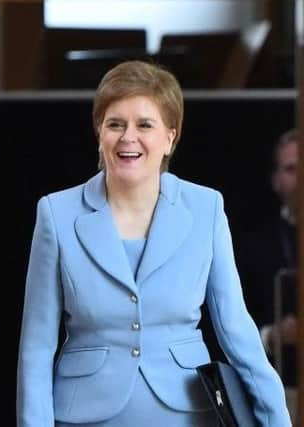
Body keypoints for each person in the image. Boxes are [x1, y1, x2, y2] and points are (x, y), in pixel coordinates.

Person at [16, 60, 290, 426]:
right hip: (84, 415)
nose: (128, 137)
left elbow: (236, 330)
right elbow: (36, 346)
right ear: (100, 132)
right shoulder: (56, 213)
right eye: (115, 124)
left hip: (188, 413)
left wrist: (276, 419)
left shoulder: (206, 208)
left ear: (170, 137)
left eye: (145, 124)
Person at [236, 129, 299, 422]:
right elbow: (232, 325)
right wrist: (273, 335)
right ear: (275, 181)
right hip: (281, 388)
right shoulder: (254, 245)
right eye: (291, 169)